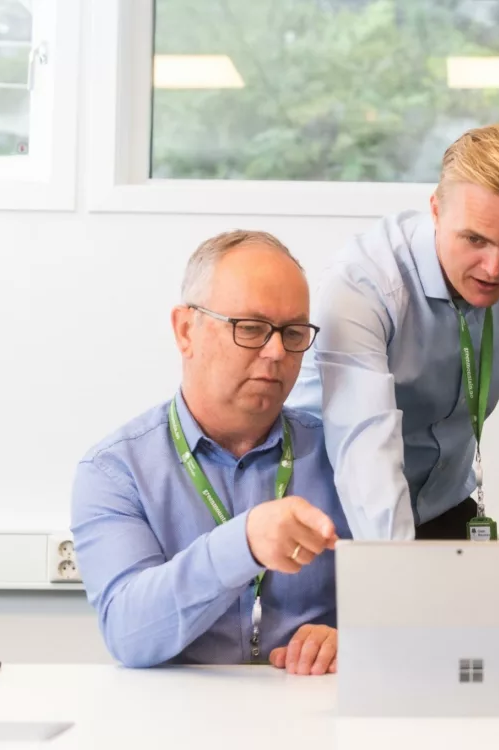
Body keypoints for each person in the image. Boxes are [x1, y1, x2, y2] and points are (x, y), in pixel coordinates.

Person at [287, 124, 499, 540]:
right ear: (435, 210)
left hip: (442, 502)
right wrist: (407, 582)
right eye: (475, 239)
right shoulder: (364, 284)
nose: (495, 269)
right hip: (334, 514)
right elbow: (366, 460)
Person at [72, 230, 350, 674]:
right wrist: (243, 544)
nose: (276, 351)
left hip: (314, 718)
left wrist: (355, 639)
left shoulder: (342, 456)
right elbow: (128, 633)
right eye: (252, 328)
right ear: (186, 330)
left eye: (293, 332)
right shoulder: (115, 471)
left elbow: (402, 609)